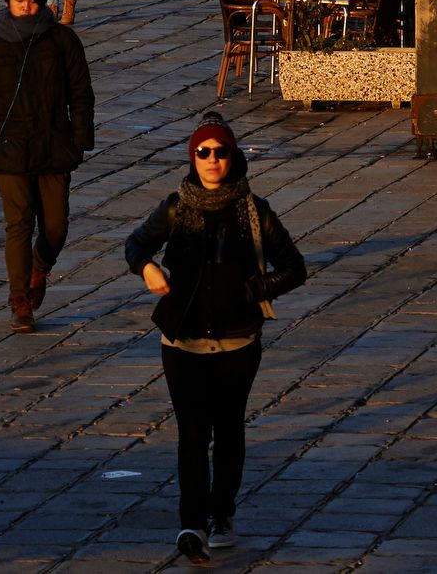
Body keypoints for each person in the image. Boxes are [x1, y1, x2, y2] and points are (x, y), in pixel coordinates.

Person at [125, 118, 306, 559]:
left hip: (237, 343)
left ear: (233, 157)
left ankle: (222, 512)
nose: (211, 160)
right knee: (191, 433)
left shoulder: (253, 210)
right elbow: (136, 245)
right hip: (182, 343)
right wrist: (148, 268)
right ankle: (192, 526)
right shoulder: (174, 207)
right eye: (202, 153)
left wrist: (251, 292)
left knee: (227, 430)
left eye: (219, 152)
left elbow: (295, 267)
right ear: (192, 158)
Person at [0, 0, 95, 331]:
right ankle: (20, 301)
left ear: (43, 1)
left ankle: (40, 267)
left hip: (53, 146)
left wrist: (80, 139)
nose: (26, 7)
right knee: (18, 223)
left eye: (32, 1)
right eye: (19, 1)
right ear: (7, 2)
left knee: (56, 227)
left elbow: (81, 93)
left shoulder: (63, 41)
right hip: (10, 151)